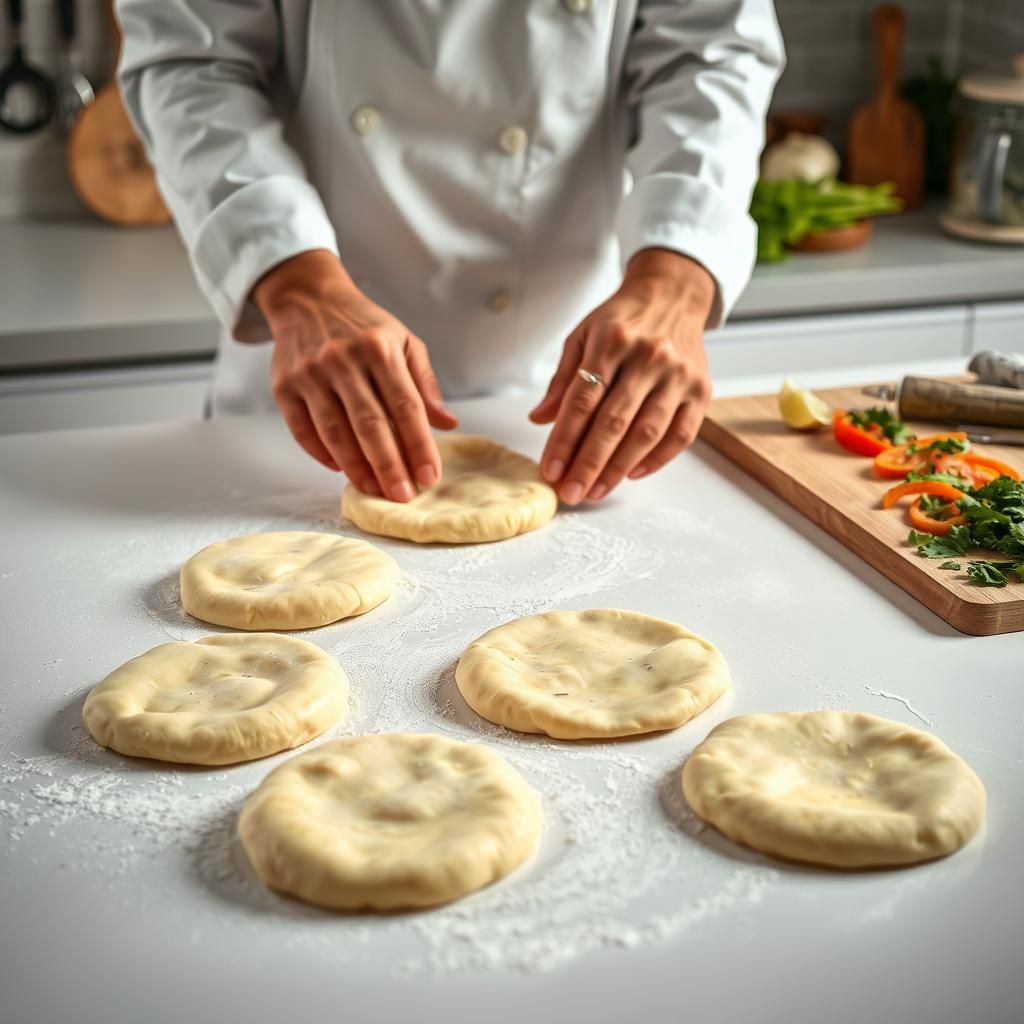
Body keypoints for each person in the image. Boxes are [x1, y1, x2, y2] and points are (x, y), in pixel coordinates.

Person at [118, 0, 783, 505]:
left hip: (574, 390)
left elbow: (712, 50)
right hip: (305, 399)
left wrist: (676, 279)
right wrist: (295, 282)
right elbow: (191, 62)